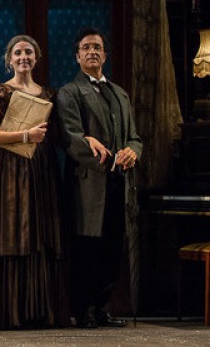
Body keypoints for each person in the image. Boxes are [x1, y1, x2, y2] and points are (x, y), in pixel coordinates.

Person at [0, 35, 68, 328]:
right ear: (9, 59)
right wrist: (25, 136)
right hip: (9, 170)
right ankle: (9, 312)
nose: (23, 57)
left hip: (41, 170)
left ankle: (40, 312)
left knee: (40, 233)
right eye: (18, 53)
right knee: (12, 233)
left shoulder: (49, 94)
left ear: (36, 58)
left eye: (29, 52)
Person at [57, 27, 142, 329]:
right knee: (86, 249)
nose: (92, 51)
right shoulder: (69, 92)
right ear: (77, 55)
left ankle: (104, 308)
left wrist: (133, 151)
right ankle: (84, 311)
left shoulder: (120, 93)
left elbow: (134, 137)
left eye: (97, 47)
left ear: (105, 54)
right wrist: (97, 152)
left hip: (119, 183)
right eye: (86, 47)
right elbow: (69, 137)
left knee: (111, 248)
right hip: (88, 185)